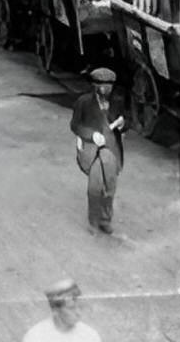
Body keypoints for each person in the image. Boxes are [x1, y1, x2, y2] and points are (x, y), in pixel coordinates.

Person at [70, 67, 126, 234]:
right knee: (95, 187)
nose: (105, 89)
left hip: (111, 148)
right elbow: (75, 125)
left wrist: (123, 124)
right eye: (101, 85)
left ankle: (105, 220)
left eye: (108, 86)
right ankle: (93, 221)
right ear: (94, 85)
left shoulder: (117, 101)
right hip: (93, 149)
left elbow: (125, 121)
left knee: (110, 186)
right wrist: (91, 135)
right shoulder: (83, 102)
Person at [22, 279, 102, 342]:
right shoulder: (35, 336)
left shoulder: (90, 336)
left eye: (80, 307)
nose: (78, 313)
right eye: (71, 308)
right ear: (56, 310)